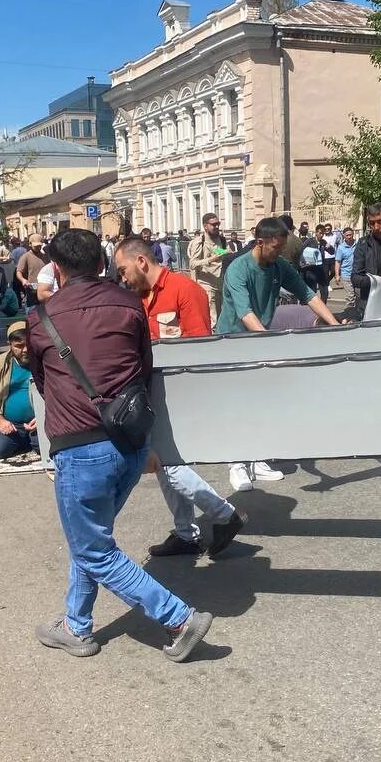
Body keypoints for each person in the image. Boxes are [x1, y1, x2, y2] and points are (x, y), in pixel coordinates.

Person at [24, 227, 213, 662]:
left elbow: (41, 380)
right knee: (87, 538)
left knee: (93, 546)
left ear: (56, 268)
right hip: (128, 442)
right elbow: (144, 371)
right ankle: (76, 625)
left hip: (79, 448)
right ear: (101, 263)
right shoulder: (130, 305)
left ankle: (179, 618)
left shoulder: (40, 319)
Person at [114, 236, 245, 557]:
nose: (122, 277)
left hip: (179, 396)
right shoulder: (137, 298)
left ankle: (223, 515)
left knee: (167, 463)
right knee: (160, 462)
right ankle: (186, 533)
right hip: (148, 394)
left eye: (123, 269)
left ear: (141, 261)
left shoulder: (186, 291)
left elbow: (198, 350)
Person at [218, 216, 339, 491]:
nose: (280, 253)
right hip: (233, 341)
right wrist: (268, 343)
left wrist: (334, 326)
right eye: (275, 248)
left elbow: (308, 295)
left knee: (261, 401)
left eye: (282, 248)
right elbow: (245, 312)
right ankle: (236, 463)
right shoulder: (239, 269)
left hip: (261, 339)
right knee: (237, 404)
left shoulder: (279, 265)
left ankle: (257, 458)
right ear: (260, 243)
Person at [0, 321, 40, 462]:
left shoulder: (43, 360)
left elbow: (57, 393)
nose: (24, 350)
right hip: (11, 423)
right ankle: (25, 440)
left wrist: (44, 417)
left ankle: (30, 441)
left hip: (41, 421)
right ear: (10, 344)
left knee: (51, 451)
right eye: (19, 346)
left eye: (28, 345)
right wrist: (0, 420)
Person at [188, 213, 227, 321]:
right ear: (205, 226)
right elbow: (192, 264)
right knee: (213, 319)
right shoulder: (199, 242)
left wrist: (226, 252)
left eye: (218, 224)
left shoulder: (222, 240)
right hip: (206, 284)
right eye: (213, 224)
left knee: (220, 317)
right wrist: (210, 260)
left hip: (220, 283)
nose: (217, 227)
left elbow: (218, 252)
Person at [15, 235, 47, 307]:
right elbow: (19, 272)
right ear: (30, 244)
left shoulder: (45, 257)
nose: (38, 247)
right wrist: (23, 280)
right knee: (32, 312)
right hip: (32, 290)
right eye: (35, 246)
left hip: (44, 288)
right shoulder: (25, 257)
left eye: (39, 246)